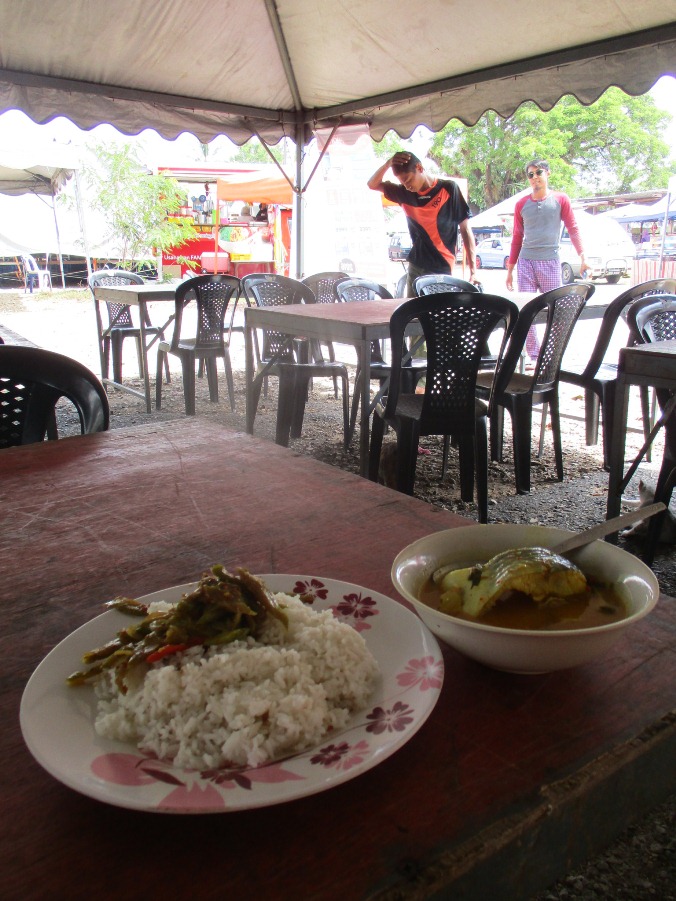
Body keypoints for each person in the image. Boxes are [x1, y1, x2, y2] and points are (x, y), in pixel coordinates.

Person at [506, 159, 590, 360]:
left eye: (539, 172)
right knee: (526, 310)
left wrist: (583, 257)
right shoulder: (521, 204)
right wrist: (510, 270)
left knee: (556, 309)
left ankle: (552, 355)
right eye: (530, 174)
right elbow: (517, 236)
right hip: (526, 262)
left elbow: (573, 228)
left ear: (547, 173)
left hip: (550, 261)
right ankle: (534, 356)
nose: (535, 177)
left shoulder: (560, 199)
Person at [367, 151, 477, 295]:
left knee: (439, 309)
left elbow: (465, 229)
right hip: (416, 265)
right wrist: (388, 163)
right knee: (412, 309)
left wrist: (473, 271)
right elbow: (372, 184)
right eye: (402, 182)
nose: (407, 186)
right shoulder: (403, 193)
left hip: (442, 267)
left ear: (419, 168)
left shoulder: (449, 189)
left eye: (408, 180)